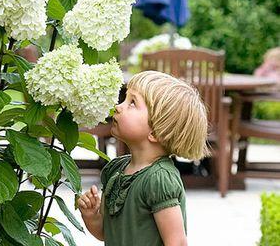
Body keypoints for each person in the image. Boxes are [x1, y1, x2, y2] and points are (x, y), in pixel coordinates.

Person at [78, 70, 210, 245]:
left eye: (132, 103)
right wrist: (91, 216)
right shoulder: (116, 170)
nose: (119, 106)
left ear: (155, 131)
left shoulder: (159, 179)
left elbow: (176, 242)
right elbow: (106, 233)